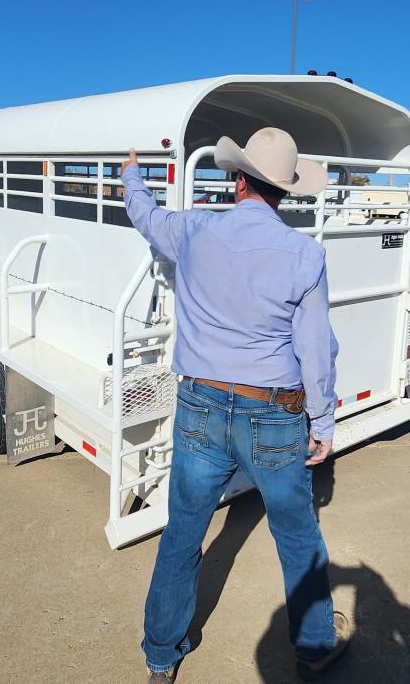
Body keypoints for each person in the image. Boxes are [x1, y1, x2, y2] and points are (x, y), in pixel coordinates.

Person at [120, 127, 351, 682]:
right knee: (296, 533)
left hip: (199, 403)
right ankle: (315, 647)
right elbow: (314, 348)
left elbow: (146, 217)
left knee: (182, 531)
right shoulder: (304, 254)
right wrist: (322, 420)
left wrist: (132, 174)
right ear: (284, 191)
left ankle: (161, 657)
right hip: (273, 411)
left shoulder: (196, 229)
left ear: (238, 178)